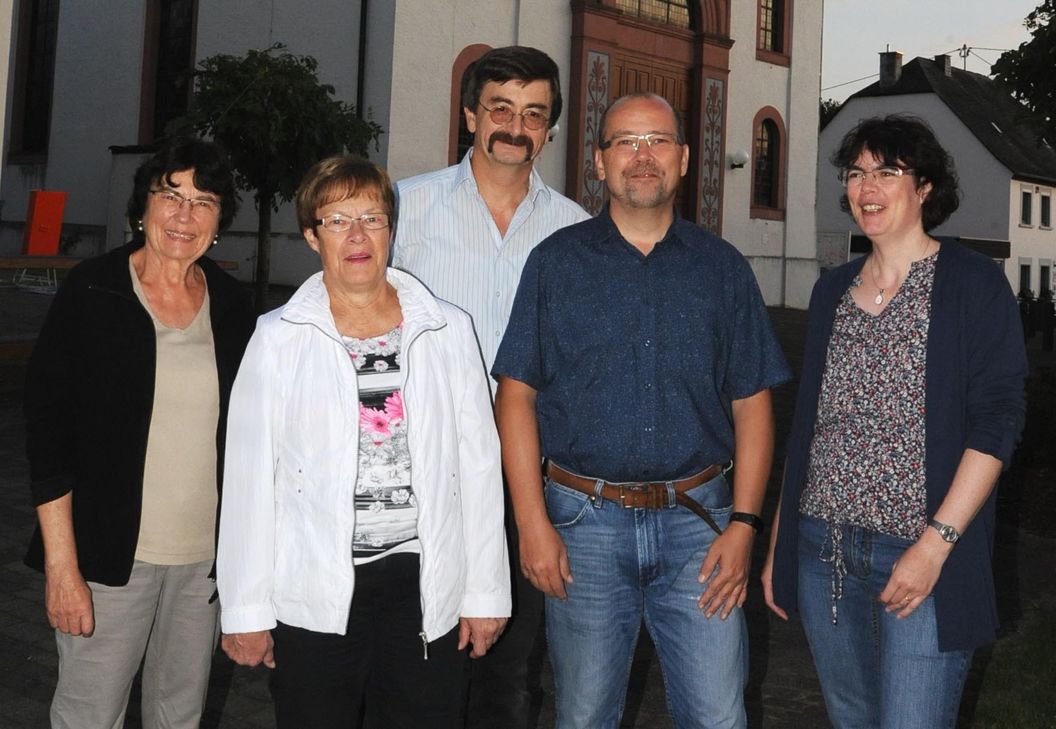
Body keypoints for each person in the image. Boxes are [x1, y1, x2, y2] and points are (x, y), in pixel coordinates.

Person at [492, 92, 790, 729]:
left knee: (718, 716)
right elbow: (516, 396)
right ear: (600, 162)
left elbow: (753, 404)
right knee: (585, 715)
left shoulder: (723, 269)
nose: (642, 156)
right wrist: (531, 522)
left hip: (700, 529)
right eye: (625, 141)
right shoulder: (556, 264)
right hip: (583, 525)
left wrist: (745, 524)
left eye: (657, 141)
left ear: (683, 159)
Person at [217, 156, 510, 729]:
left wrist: (486, 592)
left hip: (424, 585)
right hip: (316, 589)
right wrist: (244, 609)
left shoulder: (447, 330)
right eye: (337, 220)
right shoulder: (277, 338)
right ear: (311, 235)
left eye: (372, 218)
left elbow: (478, 469)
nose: (357, 236)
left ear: (391, 231)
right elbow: (248, 479)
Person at [762, 115, 1028, 729]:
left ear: (925, 188)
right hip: (821, 550)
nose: (866, 186)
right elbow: (810, 428)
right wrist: (780, 544)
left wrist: (935, 547)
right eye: (856, 173)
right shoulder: (831, 290)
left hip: (918, 554)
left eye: (887, 171)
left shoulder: (972, 283)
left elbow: (998, 421)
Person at [23, 137, 255, 729]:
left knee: (177, 717)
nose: (184, 215)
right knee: (88, 716)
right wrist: (61, 568)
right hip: (107, 562)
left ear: (219, 222)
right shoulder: (93, 291)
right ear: (142, 207)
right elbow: (48, 439)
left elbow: (254, 439)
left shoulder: (233, 308)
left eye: (203, 202)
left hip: (201, 564)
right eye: (170, 196)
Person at [393, 45, 588, 726]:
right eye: (500, 107)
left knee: (508, 675)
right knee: (415, 665)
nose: (515, 125)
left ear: (550, 129)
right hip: (422, 474)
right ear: (471, 113)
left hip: (524, 483)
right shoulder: (404, 210)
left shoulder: (576, 232)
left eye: (534, 113)